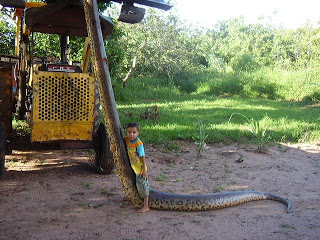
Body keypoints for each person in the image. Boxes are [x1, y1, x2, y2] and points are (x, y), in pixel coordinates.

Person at [110, 122, 150, 213]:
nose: (131, 134)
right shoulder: (127, 140)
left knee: (142, 185)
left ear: (138, 133)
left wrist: (144, 169)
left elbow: (142, 156)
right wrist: (112, 147)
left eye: (134, 132)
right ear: (126, 132)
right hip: (133, 167)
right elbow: (117, 145)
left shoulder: (139, 143)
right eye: (129, 132)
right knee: (135, 183)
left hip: (140, 168)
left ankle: (146, 206)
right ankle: (134, 198)